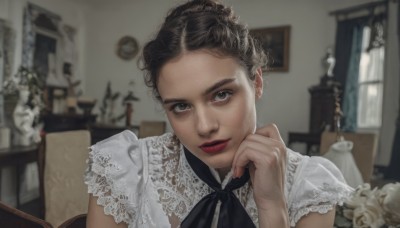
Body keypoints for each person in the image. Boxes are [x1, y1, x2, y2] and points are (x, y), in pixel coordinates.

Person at [85, 1, 353, 227]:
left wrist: (272, 207)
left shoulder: (310, 186)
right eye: (181, 106)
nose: (204, 126)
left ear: (257, 83)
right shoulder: (126, 169)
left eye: (221, 95)